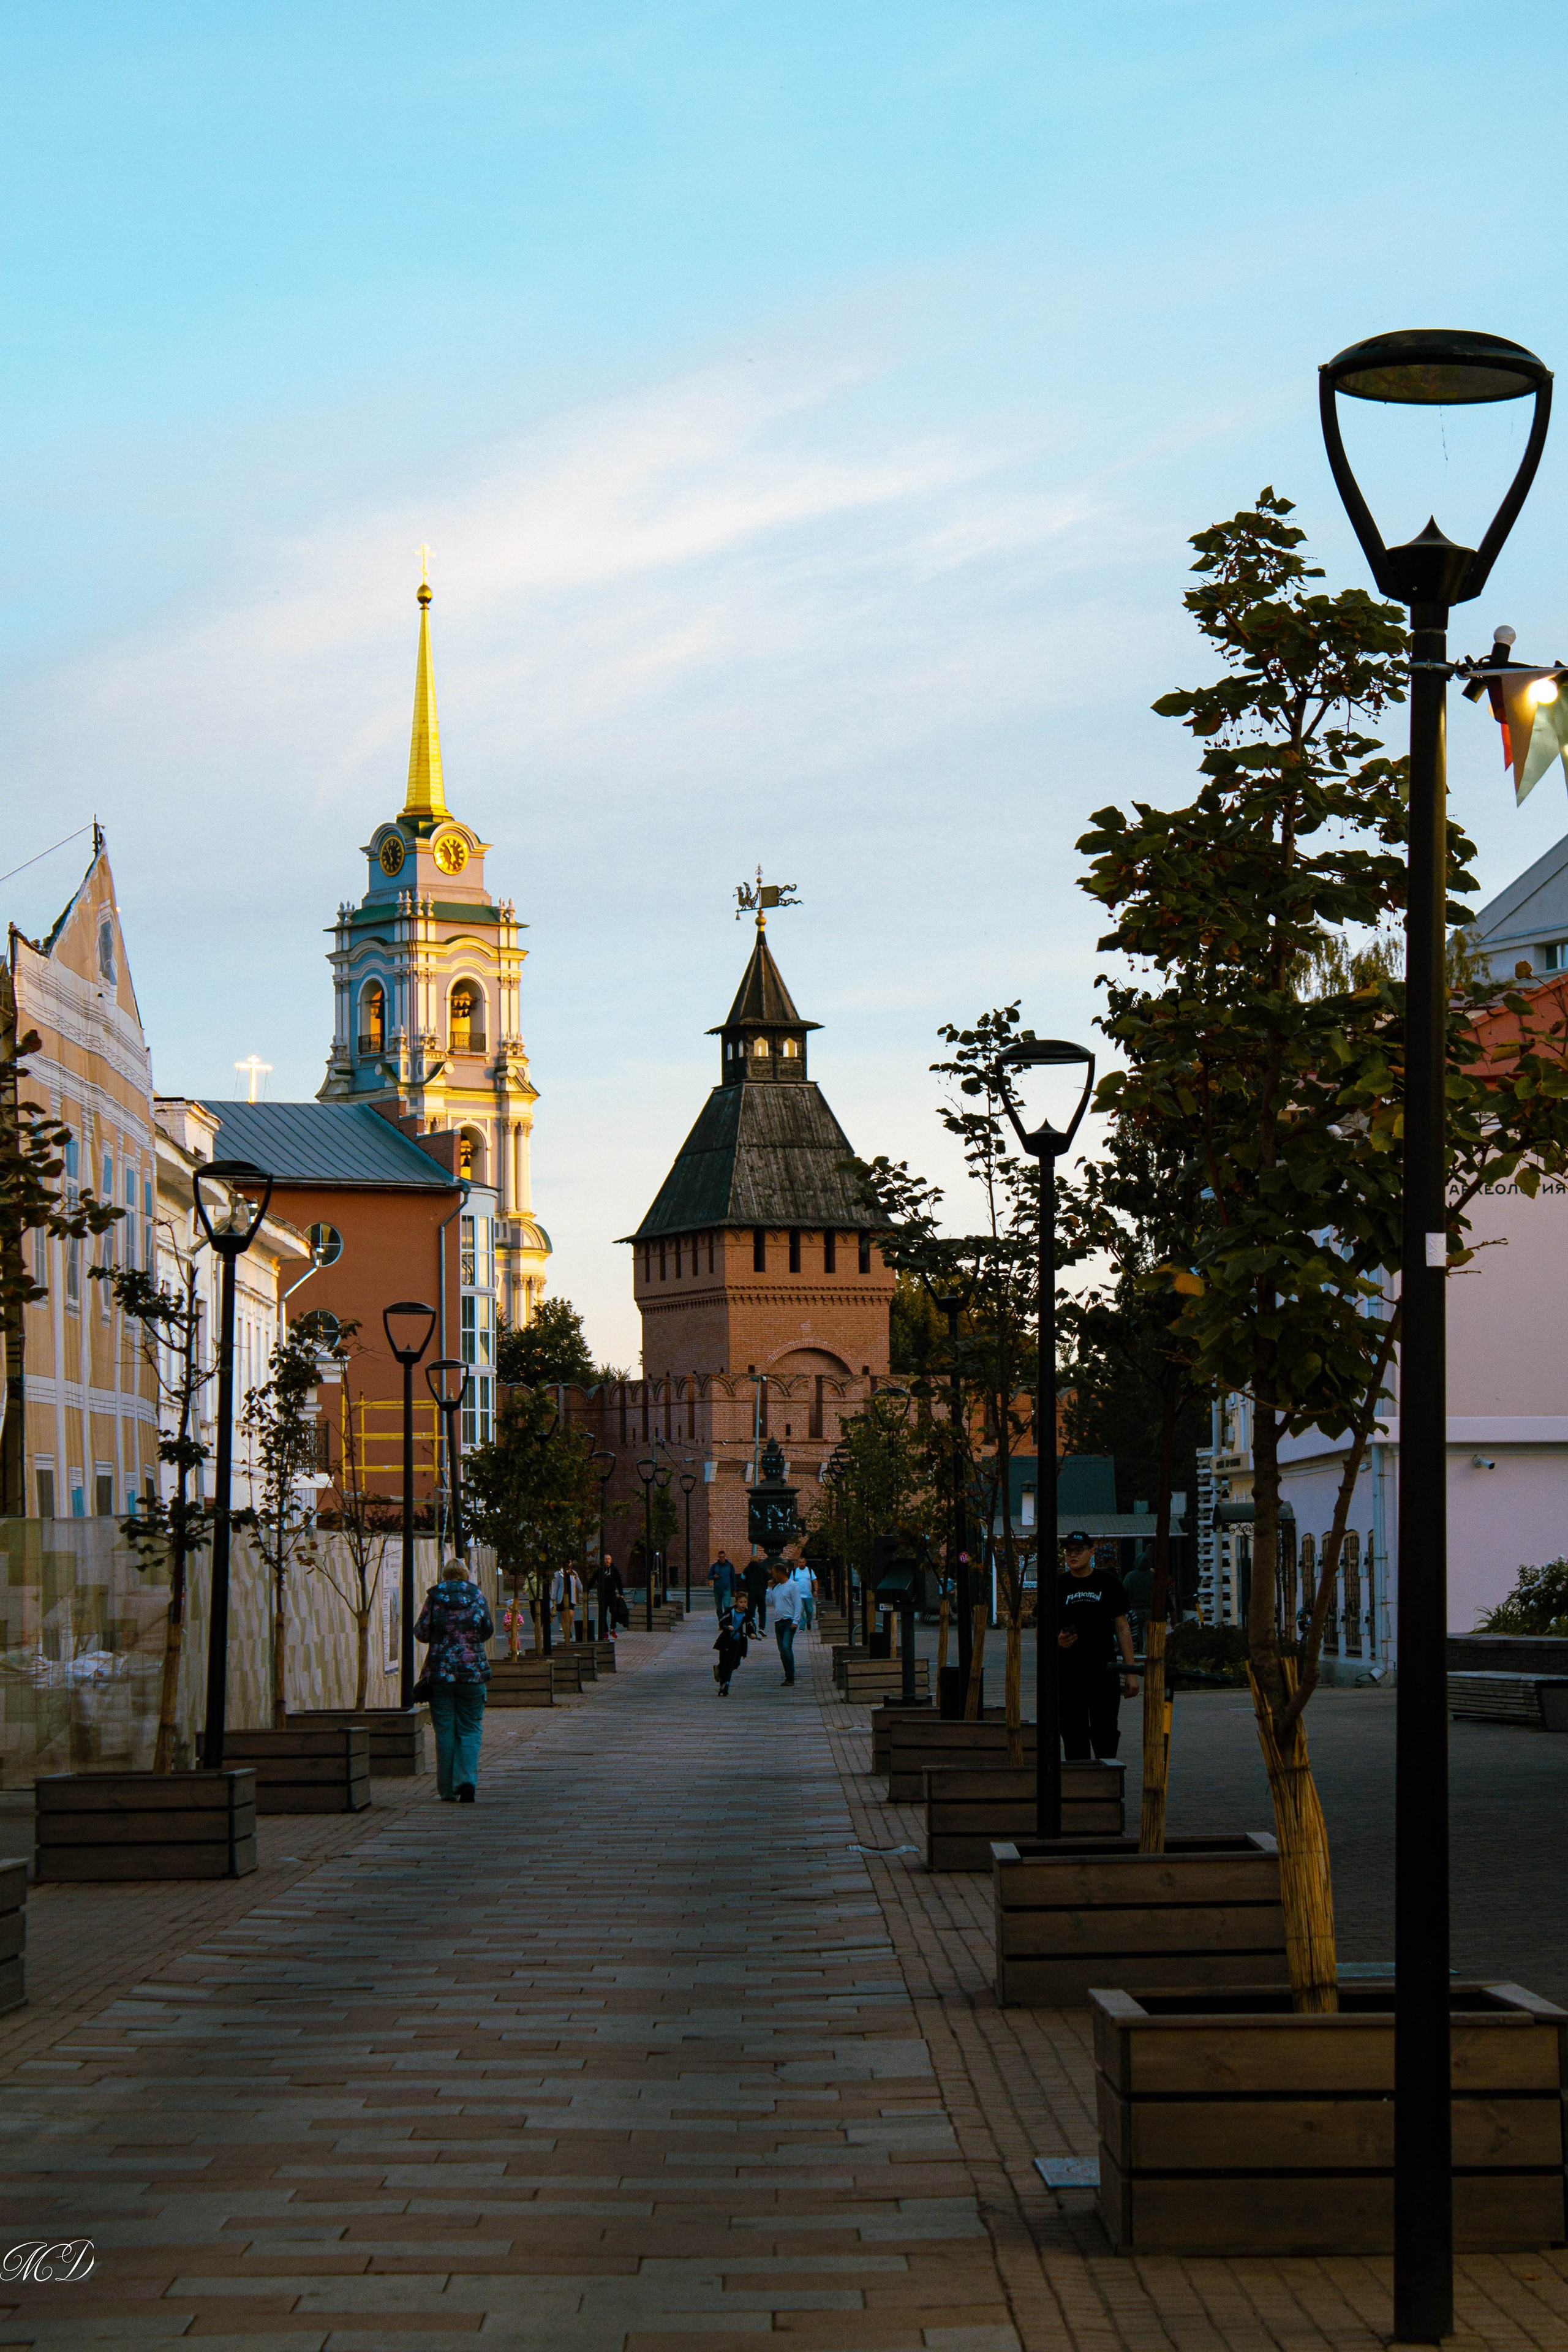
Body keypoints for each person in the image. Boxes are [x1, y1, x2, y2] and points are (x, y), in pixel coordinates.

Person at [414, 1557, 494, 1803]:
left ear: (445, 1577)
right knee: (470, 1729)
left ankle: (447, 1790)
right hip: (473, 1675)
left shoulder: (435, 1599)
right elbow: (488, 1629)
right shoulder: (478, 1598)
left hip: (441, 1675)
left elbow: (421, 1633)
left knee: (445, 1731)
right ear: (466, 1575)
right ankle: (467, 1779)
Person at [1056, 1531, 1139, 1761]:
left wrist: (1131, 1672)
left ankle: (1108, 1788)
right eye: (1068, 1551)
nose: (1073, 1556)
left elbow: (1122, 1628)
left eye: (1078, 1550)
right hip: (1068, 1674)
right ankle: (1081, 1790)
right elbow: (1041, 1631)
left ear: (1091, 1552)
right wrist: (1058, 1639)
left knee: (1106, 1732)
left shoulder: (1108, 1583)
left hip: (1103, 1671)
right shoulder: (1057, 1585)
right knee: (1073, 1734)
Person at [770, 1561, 804, 1686]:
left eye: (774, 1574)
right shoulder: (777, 1588)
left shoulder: (793, 1586)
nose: (773, 1576)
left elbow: (797, 1603)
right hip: (778, 1621)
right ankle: (787, 1674)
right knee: (782, 1651)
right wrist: (769, 1588)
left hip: (789, 1621)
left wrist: (796, 1620)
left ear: (780, 1573)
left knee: (786, 1647)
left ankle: (791, 1676)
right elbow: (770, 1602)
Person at [713, 1594, 748, 1695]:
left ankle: (719, 1669)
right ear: (736, 1602)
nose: (743, 1605)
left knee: (735, 1663)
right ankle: (724, 1685)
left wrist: (752, 1633)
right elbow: (722, 1622)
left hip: (739, 1642)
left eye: (745, 1602)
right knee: (726, 1663)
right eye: (741, 1602)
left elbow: (751, 1624)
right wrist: (727, 1626)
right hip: (727, 1641)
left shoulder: (747, 1614)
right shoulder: (730, 1612)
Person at [741, 1553, 770, 1637]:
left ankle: (751, 1627)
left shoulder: (747, 1569)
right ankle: (762, 1627)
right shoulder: (763, 1568)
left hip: (751, 1592)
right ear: (758, 1561)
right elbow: (768, 1577)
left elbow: (743, 1577)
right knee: (762, 1610)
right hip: (761, 1592)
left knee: (751, 1611)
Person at [709, 1550, 736, 1618]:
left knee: (727, 1605)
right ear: (718, 1557)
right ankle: (721, 1620)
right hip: (717, 1589)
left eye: (723, 1557)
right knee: (719, 1607)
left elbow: (733, 1577)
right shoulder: (715, 1566)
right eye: (720, 1557)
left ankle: (726, 1620)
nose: (722, 1559)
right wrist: (714, 1577)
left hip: (727, 1588)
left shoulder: (730, 1566)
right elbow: (709, 1576)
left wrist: (735, 1589)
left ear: (725, 1557)